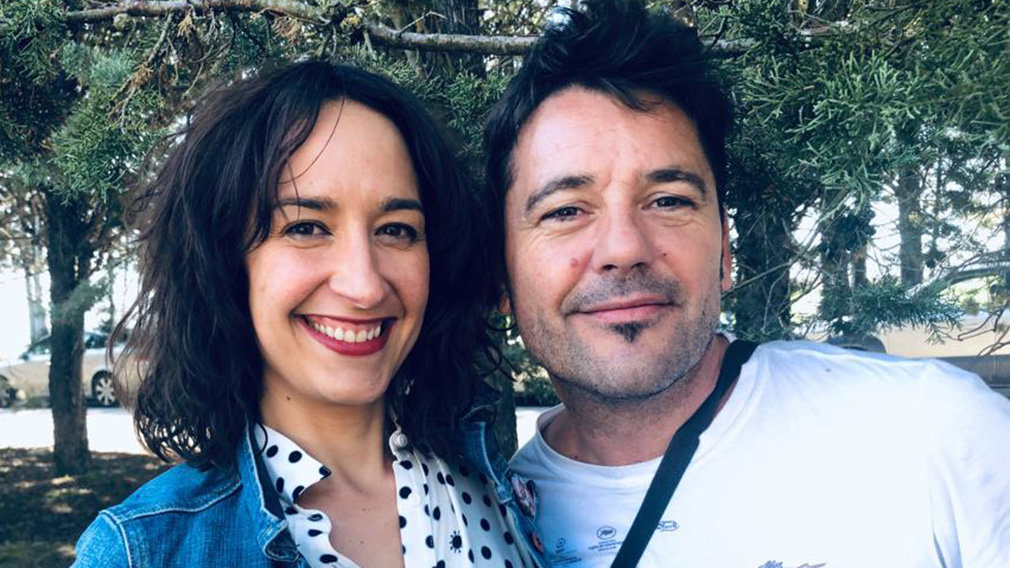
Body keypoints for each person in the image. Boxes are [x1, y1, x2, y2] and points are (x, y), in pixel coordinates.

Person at [483, 1, 1010, 567]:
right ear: (500, 275)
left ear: (724, 252)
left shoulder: (935, 436)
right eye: (565, 211)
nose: (624, 248)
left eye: (668, 201)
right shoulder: (492, 528)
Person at [72, 61, 540, 568]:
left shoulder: (508, 492)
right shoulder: (144, 552)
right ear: (226, 261)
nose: (364, 285)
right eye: (306, 227)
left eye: (396, 229)